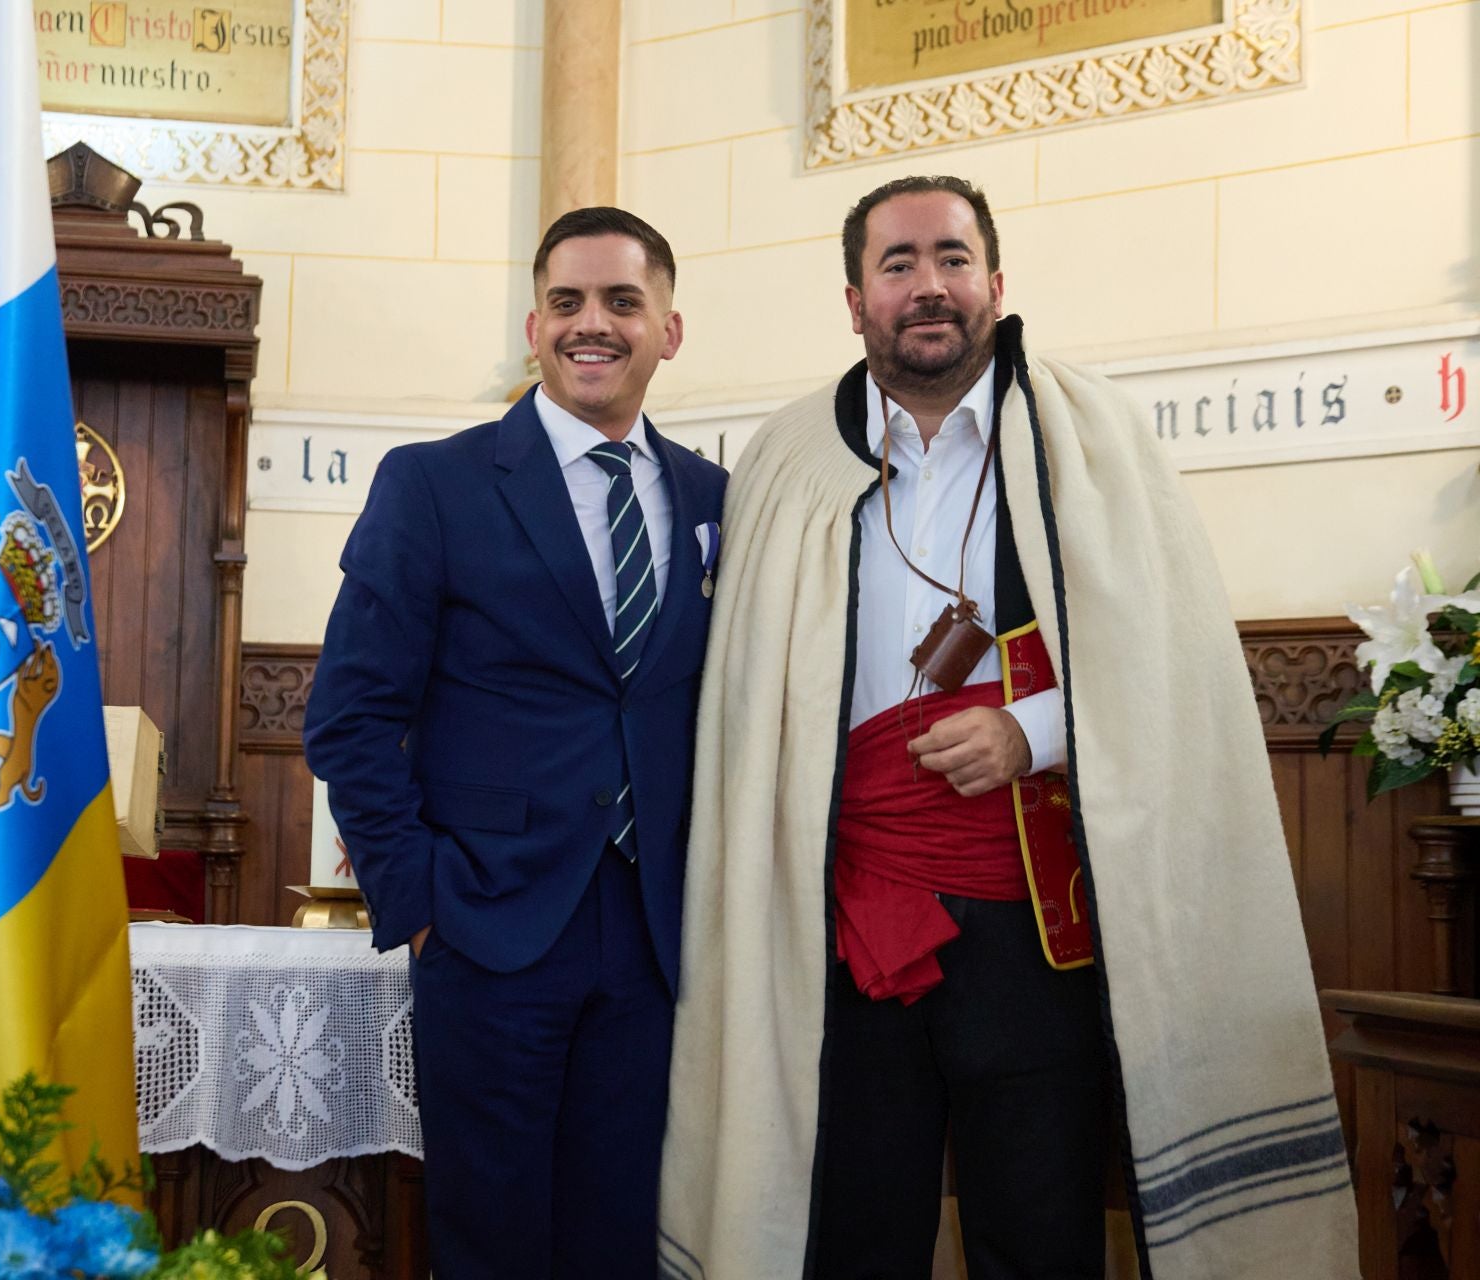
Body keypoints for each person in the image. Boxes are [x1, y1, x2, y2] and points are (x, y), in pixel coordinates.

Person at [655, 176, 1357, 1280]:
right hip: (844, 921)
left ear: (995, 280)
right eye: (898, 265)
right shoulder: (791, 458)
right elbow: (752, 700)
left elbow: (1172, 667)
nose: (927, 286)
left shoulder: (1094, 438)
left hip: (1036, 925)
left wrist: (1035, 729)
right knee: (849, 1228)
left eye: (951, 257)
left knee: (1037, 1230)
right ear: (854, 300)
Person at [304, 206, 727, 1279]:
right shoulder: (435, 484)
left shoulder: (721, 500)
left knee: (621, 1240)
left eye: (624, 302)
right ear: (535, 325)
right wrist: (422, 897)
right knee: (491, 1241)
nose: (595, 324)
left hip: (654, 935)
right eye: (570, 302)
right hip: (487, 927)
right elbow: (349, 713)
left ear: (669, 329)